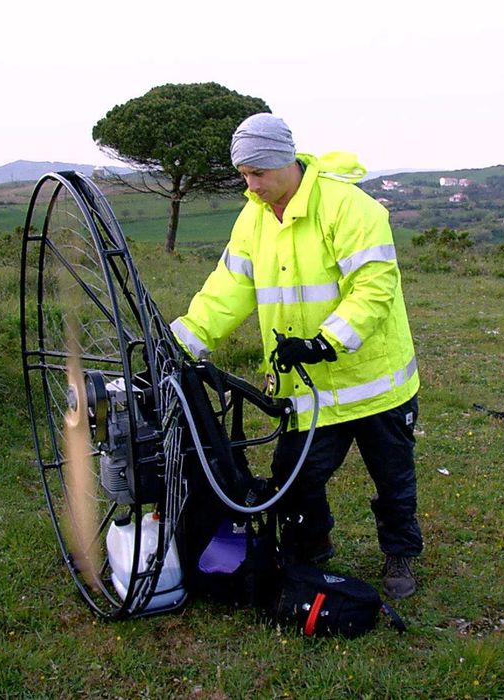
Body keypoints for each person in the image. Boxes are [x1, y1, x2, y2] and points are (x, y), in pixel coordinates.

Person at [170, 113, 423, 598]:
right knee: (294, 477)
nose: (251, 184)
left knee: (393, 479)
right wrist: (183, 341)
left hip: (376, 384)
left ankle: (400, 554)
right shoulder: (254, 216)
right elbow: (229, 288)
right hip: (309, 388)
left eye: (259, 173)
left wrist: (326, 341)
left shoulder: (350, 207)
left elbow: (375, 285)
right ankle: (312, 543)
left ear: (286, 162)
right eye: (243, 174)